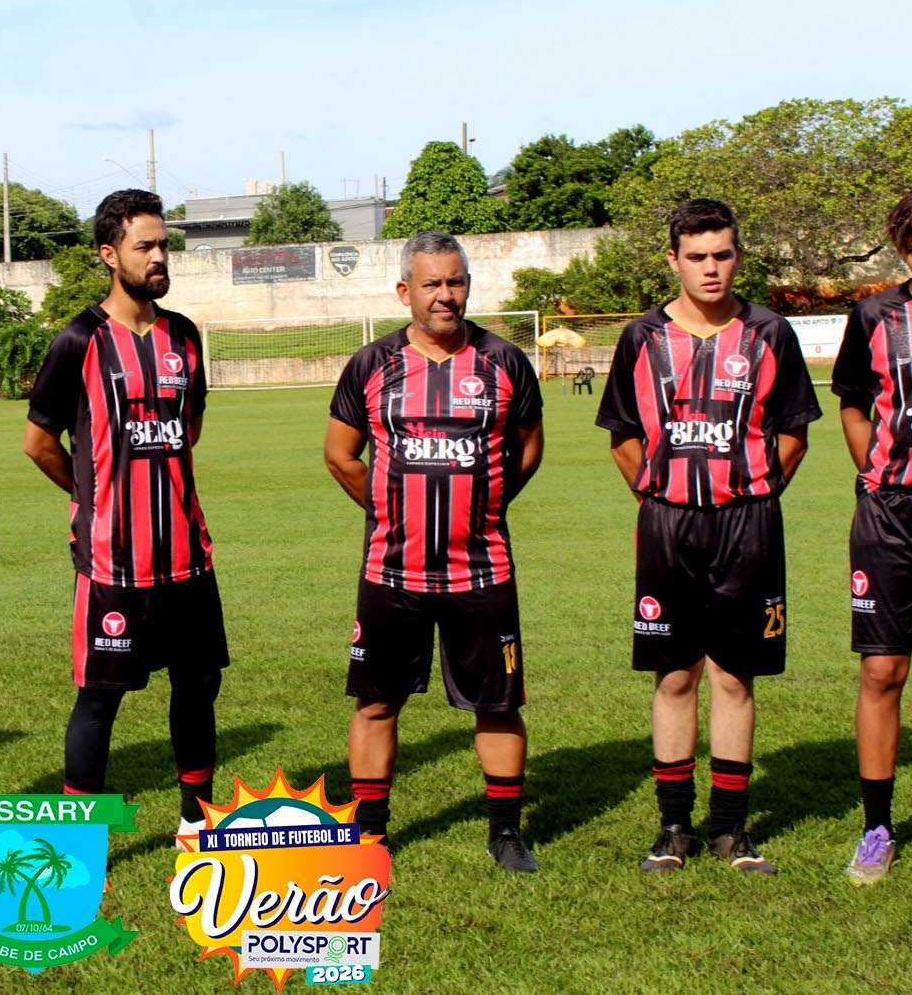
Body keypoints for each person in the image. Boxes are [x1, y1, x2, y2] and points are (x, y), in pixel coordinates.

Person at [596, 198, 820, 875]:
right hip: (668, 524)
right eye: (697, 257)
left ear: (738, 256)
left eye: (722, 255)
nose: (711, 268)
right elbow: (623, 438)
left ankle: (729, 829)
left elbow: (794, 435)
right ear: (674, 260)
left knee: (734, 674)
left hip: (748, 523)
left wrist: (749, 492)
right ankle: (673, 828)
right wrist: (661, 495)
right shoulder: (642, 337)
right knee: (674, 675)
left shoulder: (770, 332)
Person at [324, 230, 544, 872]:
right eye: (432, 284)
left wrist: (487, 504)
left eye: (455, 282)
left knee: (498, 702)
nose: (445, 295)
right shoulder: (371, 364)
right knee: (376, 702)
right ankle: (369, 835)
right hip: (392, 570)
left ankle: (505, 832)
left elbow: (528, 448)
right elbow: (340, 455)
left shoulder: (505, 362)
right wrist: (390, 509)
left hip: (483, 568)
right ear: (406, 291)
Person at [23, 188, 227, 839]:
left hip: (187, 555)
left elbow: (189, 428)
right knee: (100, 698)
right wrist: (90, 497)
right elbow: (39, 441)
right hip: (113, 560)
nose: (159, 256)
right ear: (110, 255)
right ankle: (79, 843)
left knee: (197, 685)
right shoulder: (79, 339)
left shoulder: (184, 336)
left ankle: (196, 826)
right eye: (145, 246)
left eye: (164, 244)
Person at [835, 184, 912, 885]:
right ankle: (876, 827)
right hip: (892, 515)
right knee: (883, 670)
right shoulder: (875, 316)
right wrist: (878, 477)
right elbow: (854, 405)